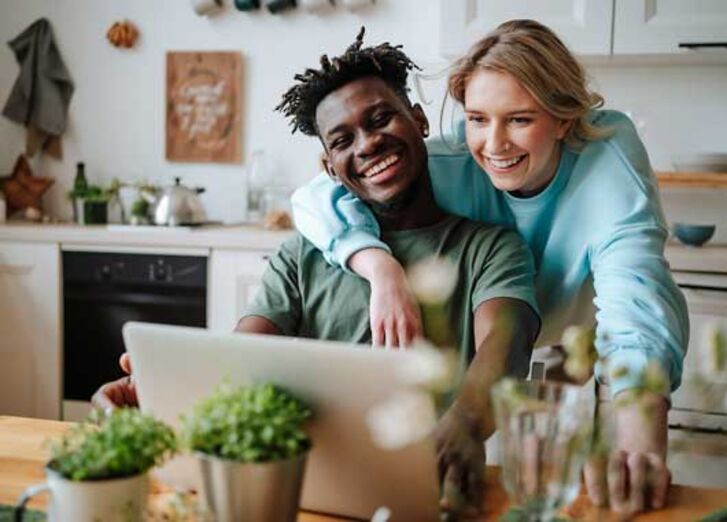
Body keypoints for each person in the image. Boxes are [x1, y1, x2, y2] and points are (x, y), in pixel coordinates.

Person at [94, 28, 541, 516]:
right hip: (306, 493)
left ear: (418, 120)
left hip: (433, 493)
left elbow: (505, 348)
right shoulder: (300, 256)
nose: (368, 144)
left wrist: (464, 426)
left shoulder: (490, 247)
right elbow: (241, 362)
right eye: (344, 140)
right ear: (330, 167)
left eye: (381, 118)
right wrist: (159, 396)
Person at [290, 19, 688, 515]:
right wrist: (380, 268)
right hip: (513, 327)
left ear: (563, 118)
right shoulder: (454, 156)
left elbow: (635, 295)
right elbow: (313, 197)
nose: (493, 145)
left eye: (519, 119)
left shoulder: (606, 157)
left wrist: (639, 425)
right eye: (478, 118)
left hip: (590, 337)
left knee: (607, 477)